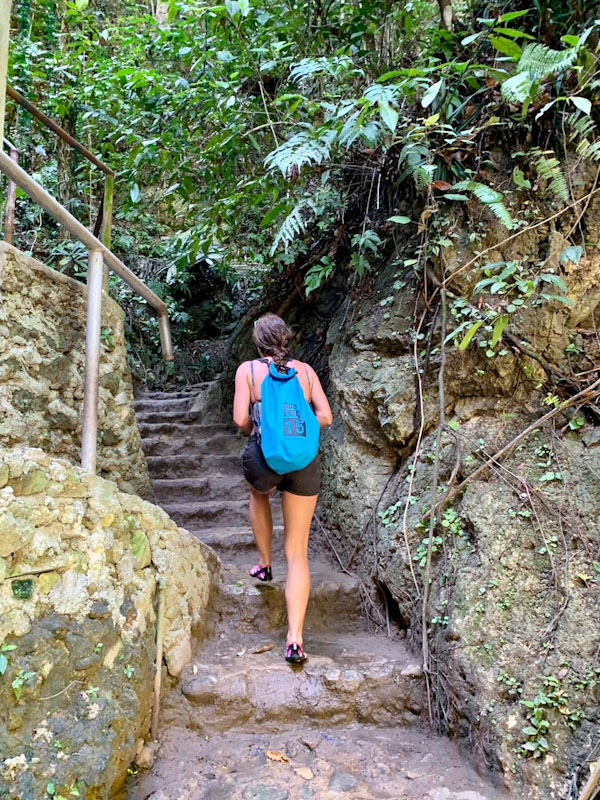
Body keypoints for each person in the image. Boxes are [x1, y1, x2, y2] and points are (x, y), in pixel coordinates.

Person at [233, 313, 333, 664]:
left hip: (265, 459)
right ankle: (294, 640)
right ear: (286, 339)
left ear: (257, 341)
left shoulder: (248, 370)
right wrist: (295, 422)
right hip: (304, 462)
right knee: (298, 553)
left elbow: (240, 420)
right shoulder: (305, 372)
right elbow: (326, 417)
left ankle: (263, 563)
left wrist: (268, 424)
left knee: (258, 491)